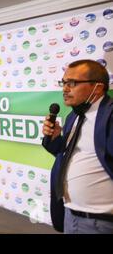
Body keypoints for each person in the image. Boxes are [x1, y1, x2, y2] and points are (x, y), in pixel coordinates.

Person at [42, 59, 113, 234]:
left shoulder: (110, 115)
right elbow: (68, 155)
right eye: (64, 82)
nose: (65, 89)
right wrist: (55, 139)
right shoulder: (74, 116)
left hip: (101, 222)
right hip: (70, 215)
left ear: (97, 87)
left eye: (72, 83)